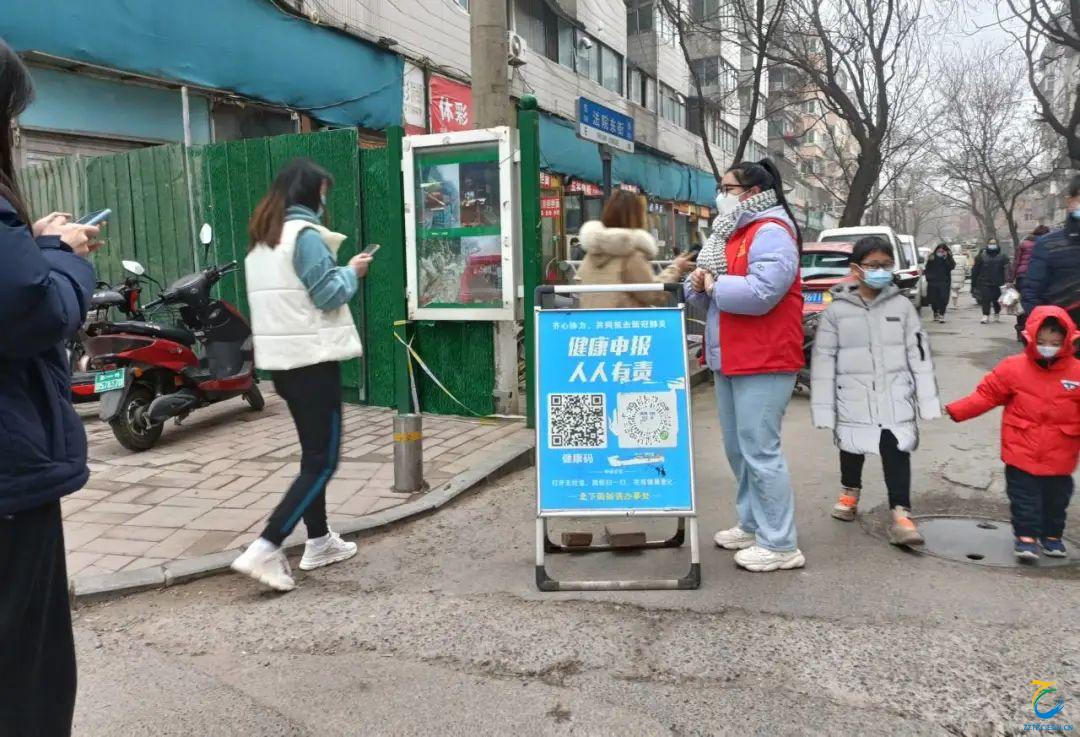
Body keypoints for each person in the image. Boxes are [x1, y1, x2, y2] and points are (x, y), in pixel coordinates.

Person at [0, 41, 103, 737]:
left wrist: (30, 243)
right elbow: (30, 307)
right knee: (27, 684)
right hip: (8, 486)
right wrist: (63, 258)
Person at [231, 159, 373, 592]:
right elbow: (328, 294)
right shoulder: (305, 236)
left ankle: (319, 540)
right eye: (324, 192)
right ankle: (266, 545)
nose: (325, 200)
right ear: (312, 194)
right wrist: (352, 271)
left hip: (284, 366)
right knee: (322, 462)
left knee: (312, 456)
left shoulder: (262, 243)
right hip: (314, 363)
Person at [687, 158, 805, 572]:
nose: (720, 195)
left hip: (764, 357)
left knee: (760, 450)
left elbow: (761, 293)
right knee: (739, 450)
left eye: (728, 188)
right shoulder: (732, 233)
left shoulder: (771, 231)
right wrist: (698, 283)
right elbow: (708, 294)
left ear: (753, 193)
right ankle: (753, 524)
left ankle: (781, 544)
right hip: (732, 355)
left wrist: (713, 283)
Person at [810, 237, 941, 546]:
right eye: (873, 265)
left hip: (894, 394)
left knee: (896, 450)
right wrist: (823, 408)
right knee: (851, 446)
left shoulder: (902, 307)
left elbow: (919, 353)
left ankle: (901, 514)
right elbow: (824, 360)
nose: (881, 271)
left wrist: (927, 400)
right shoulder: (837, 311)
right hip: (852, 395)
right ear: (856, 269)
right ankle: (850, 492)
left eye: (886, 265)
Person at [945, 306, 1080, 560]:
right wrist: (957, 410)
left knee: (1057, 500)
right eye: (1042, 342)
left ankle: (1052, 536)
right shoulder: (1013, 368)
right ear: (1030, 338)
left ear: (1066, 341)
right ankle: (1026, 537)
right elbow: (986, 395)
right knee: (1024, 498)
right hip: (1021, 449)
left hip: (1061, 453)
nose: (1048, 347)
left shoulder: (1076, 372)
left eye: (1054, 343)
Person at [575, 190, 694, 308]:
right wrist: (676, 268)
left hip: (590, 319)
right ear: (637, 217)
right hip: (624, 319)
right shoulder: (630, 255)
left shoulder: (591, 254)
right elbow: (653, 293)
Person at [1021, 175, 1080, 331]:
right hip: (1063, 334)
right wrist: (1047, 329)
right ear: (1070, 202)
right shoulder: (1047, 245)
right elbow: (1032, 292)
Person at [1011, 225, 1051, 340]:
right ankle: (1036, 330)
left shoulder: (1024, 243)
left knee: (1023, 305)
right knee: (1041, 304)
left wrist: (1010, 279)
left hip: (1023, 277)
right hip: (1041, 277)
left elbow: (1016, 262)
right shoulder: (1047, 243)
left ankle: (1021, 330)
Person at [971, 238, 1010, 324]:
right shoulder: (981, 257)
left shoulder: (1003, 257)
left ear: (997, 244)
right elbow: (975, 270)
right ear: (987, 244)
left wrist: (1008, 280)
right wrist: (974, 283)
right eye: (991, 243)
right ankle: (985, 315)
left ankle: (996, 313)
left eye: (994, 243)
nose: (992, 245)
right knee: (986, 299)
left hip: (998, 282)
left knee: (996, 299)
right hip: (984, 282)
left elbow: (1007, 269)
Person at [923, 242, 955, 323]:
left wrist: (945, 258)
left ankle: (942, 314)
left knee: (943, 298)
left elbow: (951, 267)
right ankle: (935, 312)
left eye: (942, 251)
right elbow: (927, 268)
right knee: (934, 299)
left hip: (944, 282)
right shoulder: (932, 257)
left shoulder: (948, 257)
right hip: (933, 282)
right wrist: (928, 278)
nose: (940, 253)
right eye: (939, 251)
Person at [950, 244, 968, 308]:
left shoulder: (950, 257)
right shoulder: (964, 257)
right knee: (957, 290)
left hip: (951, 275)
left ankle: (954, 303)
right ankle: (955, 304)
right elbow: (966, 267)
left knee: (953, 289)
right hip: (960, 276)